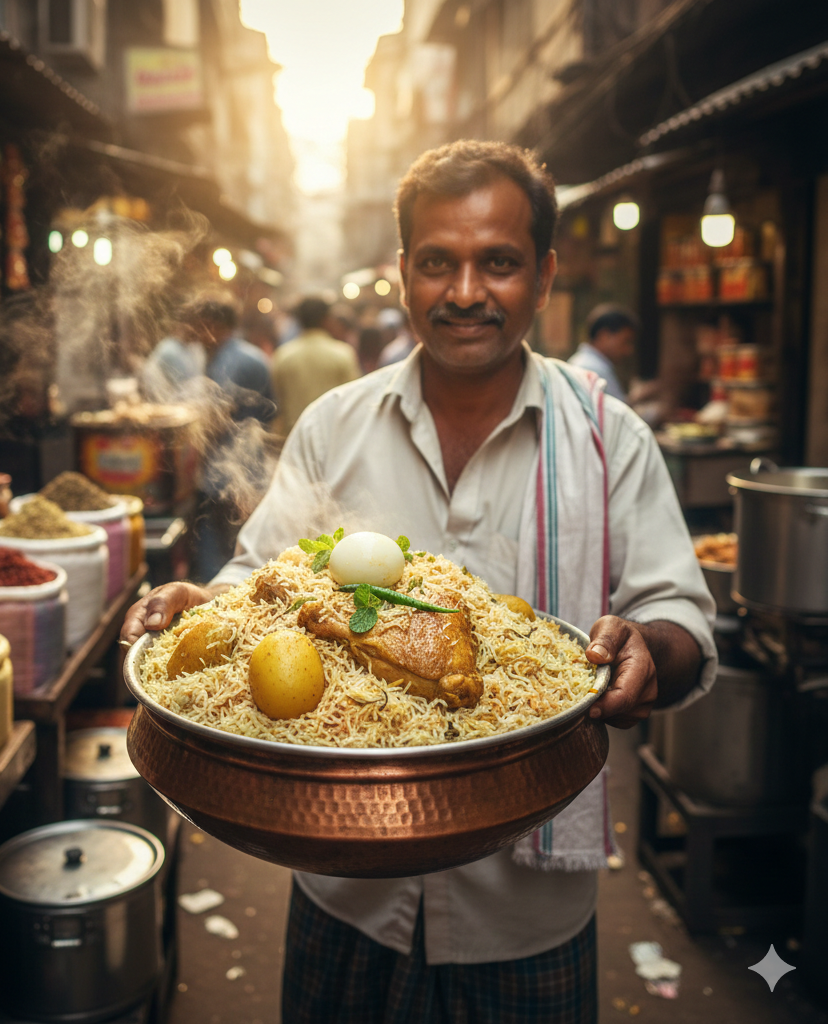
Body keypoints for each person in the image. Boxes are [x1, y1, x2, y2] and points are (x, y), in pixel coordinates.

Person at [122, 140, 716, 1023]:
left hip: (528, 916)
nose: (467, 291)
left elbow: (677, 615)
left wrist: (646, 646)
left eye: (500, 263)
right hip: (345, 888)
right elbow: (259, 579)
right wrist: (200, 604)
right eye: (438, 261)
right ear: (404, 273)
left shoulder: (605, 435)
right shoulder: (337, 425)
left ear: (545, 276)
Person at [187, 293, 276, 581]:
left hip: (230, 475)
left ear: (212, 323)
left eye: (199, 324)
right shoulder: (245, 355)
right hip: (247, 468)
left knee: (229, 551)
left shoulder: (232, 361)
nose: (195, 333)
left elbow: (214, 420)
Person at [271, 296, 359, 435]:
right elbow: (353, 401)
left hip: (293, 437)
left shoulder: (282, 356)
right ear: (327, 319)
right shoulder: (343, 354)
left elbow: (278, 401)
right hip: (333, 437)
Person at [567, 304, 640, 403]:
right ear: (604, 336)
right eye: (625, 341)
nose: (629, 350)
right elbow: (613, 414)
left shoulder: (585, 362)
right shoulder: (593, 368)